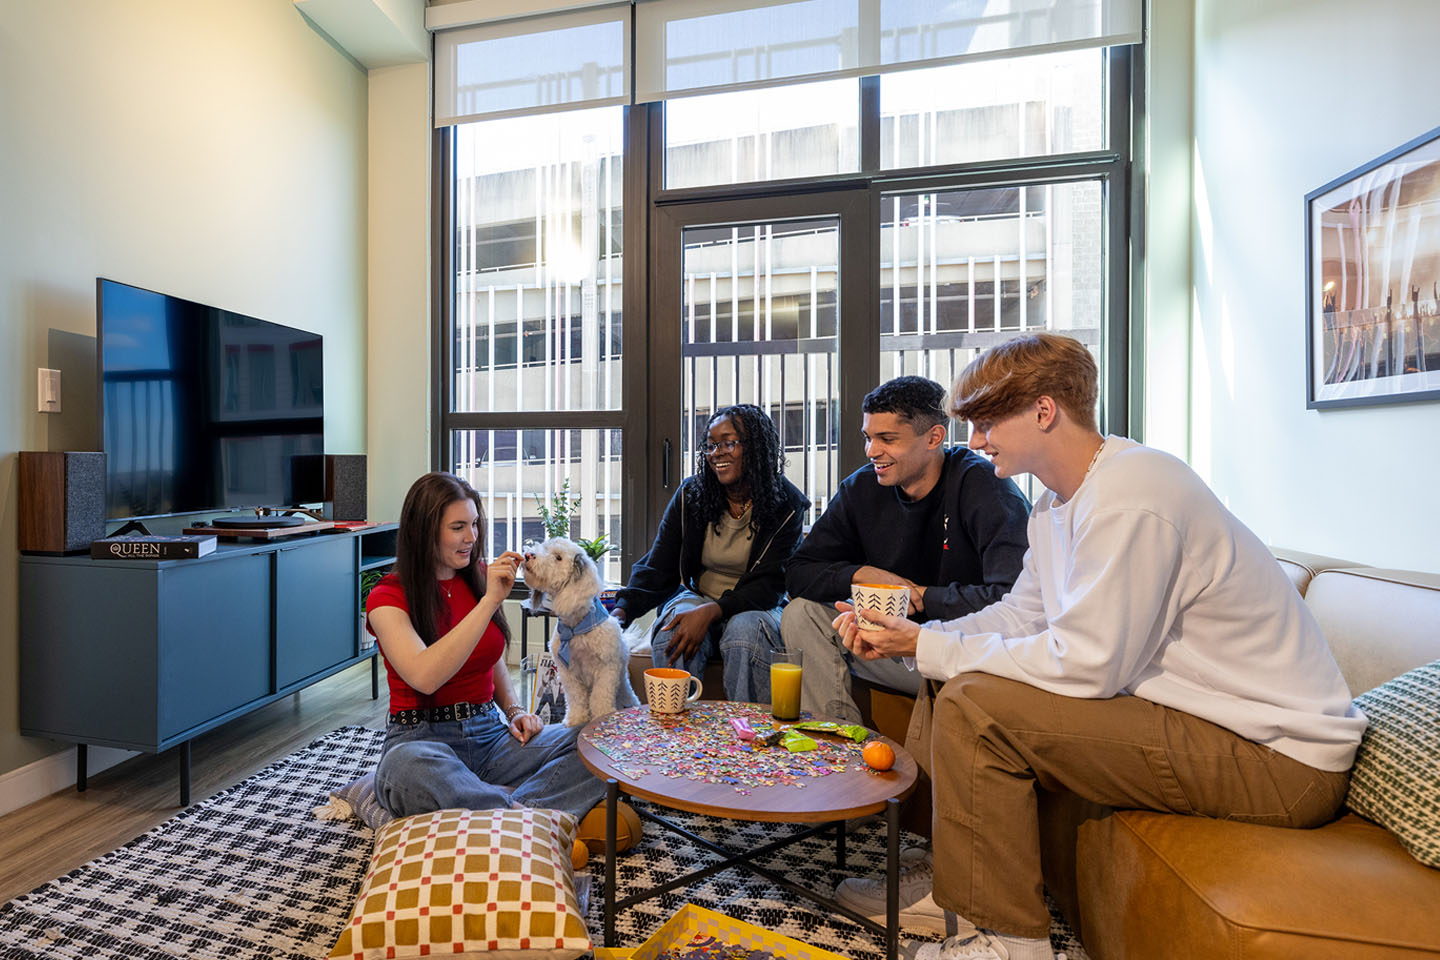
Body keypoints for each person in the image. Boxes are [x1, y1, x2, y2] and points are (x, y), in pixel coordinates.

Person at [830, 334, 1367, 960]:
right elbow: (1020, 615)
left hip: (1278, 760)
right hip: (1206, 725)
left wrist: (933, 646)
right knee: (946, 671)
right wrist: (915, 641)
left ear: (1043, 410)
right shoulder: (1059, 504)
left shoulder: (1134, 493)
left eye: (987, 420)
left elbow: (1087, 663)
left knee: (978, 704)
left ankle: (1009, 942)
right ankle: (945, 878)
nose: (974, 441)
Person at [781, 376, 1030, 723]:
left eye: (887, 439)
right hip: (891, 649)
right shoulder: (861, 488)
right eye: (868, 438)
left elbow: (1015, 599)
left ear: (934, 438)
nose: (871, 452)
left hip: (958, 650)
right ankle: (837, 745)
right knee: (802, 613)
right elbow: (798, 571)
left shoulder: (984, 486)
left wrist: (924, 597)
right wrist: (864, 574)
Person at [366, 471, 605, 824]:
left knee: (596, 740)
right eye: (458, 527)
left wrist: (514, 711)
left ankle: (502, 812)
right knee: (407, 770)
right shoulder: (387, 597)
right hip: (421, 739)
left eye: (475, 524)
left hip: (489, 735)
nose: (472, 537)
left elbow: (486, 658)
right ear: (424, 531)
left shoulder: (478, 578)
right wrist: (490, 601)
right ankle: (531, 816)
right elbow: (424, 676)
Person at [613, 404, 809, 702]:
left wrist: (711, 612)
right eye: (711, 445)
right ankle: (676, 738)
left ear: (755, 447)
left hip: (758, 605)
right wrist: (621, 612)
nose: (717, 453)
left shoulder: (787, 504)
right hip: (699, 594)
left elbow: (769, 585)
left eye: (729, 443)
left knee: (744, 635)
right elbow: (659, 563)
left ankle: (750, 738)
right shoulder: (692, 495)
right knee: (671, 632)